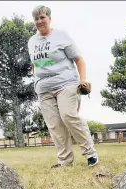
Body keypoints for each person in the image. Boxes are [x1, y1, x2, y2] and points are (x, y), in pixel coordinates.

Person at [27, 5, 99, 168]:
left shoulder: (61, 36)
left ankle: (90, 153)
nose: (39, 21)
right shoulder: (32, 41)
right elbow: (34, 64)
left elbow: (79, 60)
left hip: (66, 83)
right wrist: (36, 80)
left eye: (42, 17)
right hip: (43, 89)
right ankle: (65, 161)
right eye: (36, 19)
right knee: (55, 126)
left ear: (49, 19)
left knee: (68, 116)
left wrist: (83, 80)